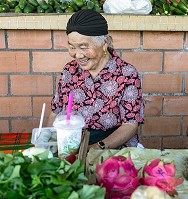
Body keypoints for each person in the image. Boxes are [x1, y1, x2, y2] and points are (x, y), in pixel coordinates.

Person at [47, 9, 144, 150]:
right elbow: (55, 111)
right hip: (71, 146)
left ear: (104, 43)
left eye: (83, 47)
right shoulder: (69, 71)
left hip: (112, 150)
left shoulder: (127, 74)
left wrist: (96, 148)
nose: (78, 55)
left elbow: (130, 125)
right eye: (72, 47)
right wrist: (50, 143)